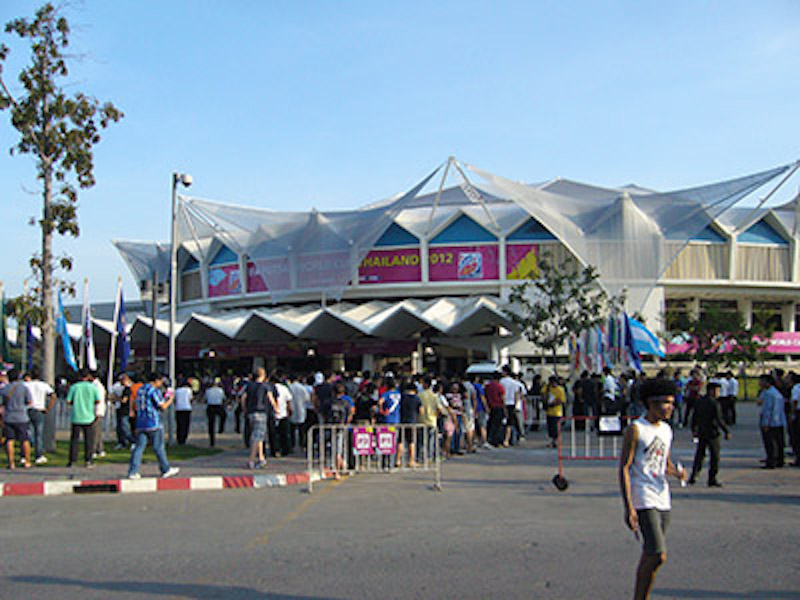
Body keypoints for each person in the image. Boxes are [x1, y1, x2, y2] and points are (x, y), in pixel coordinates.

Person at [619, 378, 687, 600]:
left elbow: (664, 462)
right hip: (643, 495)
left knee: (651, 556)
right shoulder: (636, 429)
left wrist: (677, 473)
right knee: (658, 554)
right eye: (665, 403)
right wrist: (629, 506)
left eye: (672, 403)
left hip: (662, 496)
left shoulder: (666, 430)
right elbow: (625, 467)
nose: (670, 407)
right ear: (651, 402)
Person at [128, 372, 180, 479]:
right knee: (158, 447)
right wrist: (170, 399)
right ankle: (165, 468)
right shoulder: (153, 390)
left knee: (139, 447)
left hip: (141, 422)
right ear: (156, 381)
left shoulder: (140, 390)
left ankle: (133, 471)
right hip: (153, 422)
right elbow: (162, 406)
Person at [688, 381, 730, 486]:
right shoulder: (715, 403)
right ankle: (712, 478)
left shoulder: (699, 401)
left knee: (700, 455)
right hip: (713, 433)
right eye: (717, 391)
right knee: (714, 457)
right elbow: (719, 419)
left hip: (702, 432)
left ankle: (694, 475)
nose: (719, 393)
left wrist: (694, 429)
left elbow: (694, 417)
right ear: (711, 391)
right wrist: (726, 431)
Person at [65, 369, 100, 468]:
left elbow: (68, 401)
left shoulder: (74, 387)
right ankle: (88, 460)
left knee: (74, 439)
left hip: (76, 416)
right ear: (88, 377)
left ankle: (72, 460)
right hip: (89, 416)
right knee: (89, 440)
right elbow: (97, 400)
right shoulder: (92, 387)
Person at [0, 369, 33, 469]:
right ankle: (27, 461)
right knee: (24, 440)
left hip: (8, 417)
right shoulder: (24, 388)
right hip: (22, 417)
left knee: (10, 440)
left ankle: (11, 463)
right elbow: (29, 401)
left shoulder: (4, 389)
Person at [23, 369, 55, 464]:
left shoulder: (26, 385)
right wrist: (48, 408)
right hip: (39, 409)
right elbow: (53, 395)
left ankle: (24, 455)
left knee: (27, 433)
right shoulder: (43, 385)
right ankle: (38, 455)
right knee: (38, 434)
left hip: (28, 409)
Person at [242, 367, 271, 469]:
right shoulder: (265, 386)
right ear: (263, 375)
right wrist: (276, 409)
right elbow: (270, 398)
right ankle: (251, 460)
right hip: (261, 412)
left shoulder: (249, 386)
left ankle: (261, 458)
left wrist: (244, 409)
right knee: (257, 437)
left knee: (258, 435)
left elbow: (243, 398)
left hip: (251, 412)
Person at [757, 373, 787, 469]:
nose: (759, 383)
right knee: (778, 442)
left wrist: (766, 423)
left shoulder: (768, 394)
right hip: (779, 421)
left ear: (767, 382)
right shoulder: (775, 392)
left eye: (761, 381)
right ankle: (779, 460)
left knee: (770, 443)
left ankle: (771, 461)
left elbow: (768, 410)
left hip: (771, 422)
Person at [398, 380, 421, 467]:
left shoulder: (402, 397)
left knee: (400, 441)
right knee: (411, 442)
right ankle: (411, 461)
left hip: (402, 421)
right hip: (412, 422)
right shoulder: (416, 398)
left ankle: (398, 460)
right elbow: (421, 410)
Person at [204, 377, 226, 447]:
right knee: (223, 416)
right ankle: (221, 428)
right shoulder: (220, 390)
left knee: (211, 423)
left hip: (211, 406)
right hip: (218, 406)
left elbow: (205, 399)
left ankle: (212, 441)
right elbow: (223, 398)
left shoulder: (208, 391)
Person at [174, 377, 194, 445]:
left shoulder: (177, 391)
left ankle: (179, 438)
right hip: (187, 408)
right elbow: (190, 399)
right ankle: (184, 439)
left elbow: (175, 400)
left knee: (179, 424)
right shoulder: (189, 390)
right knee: (186, 425)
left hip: (178, 408)